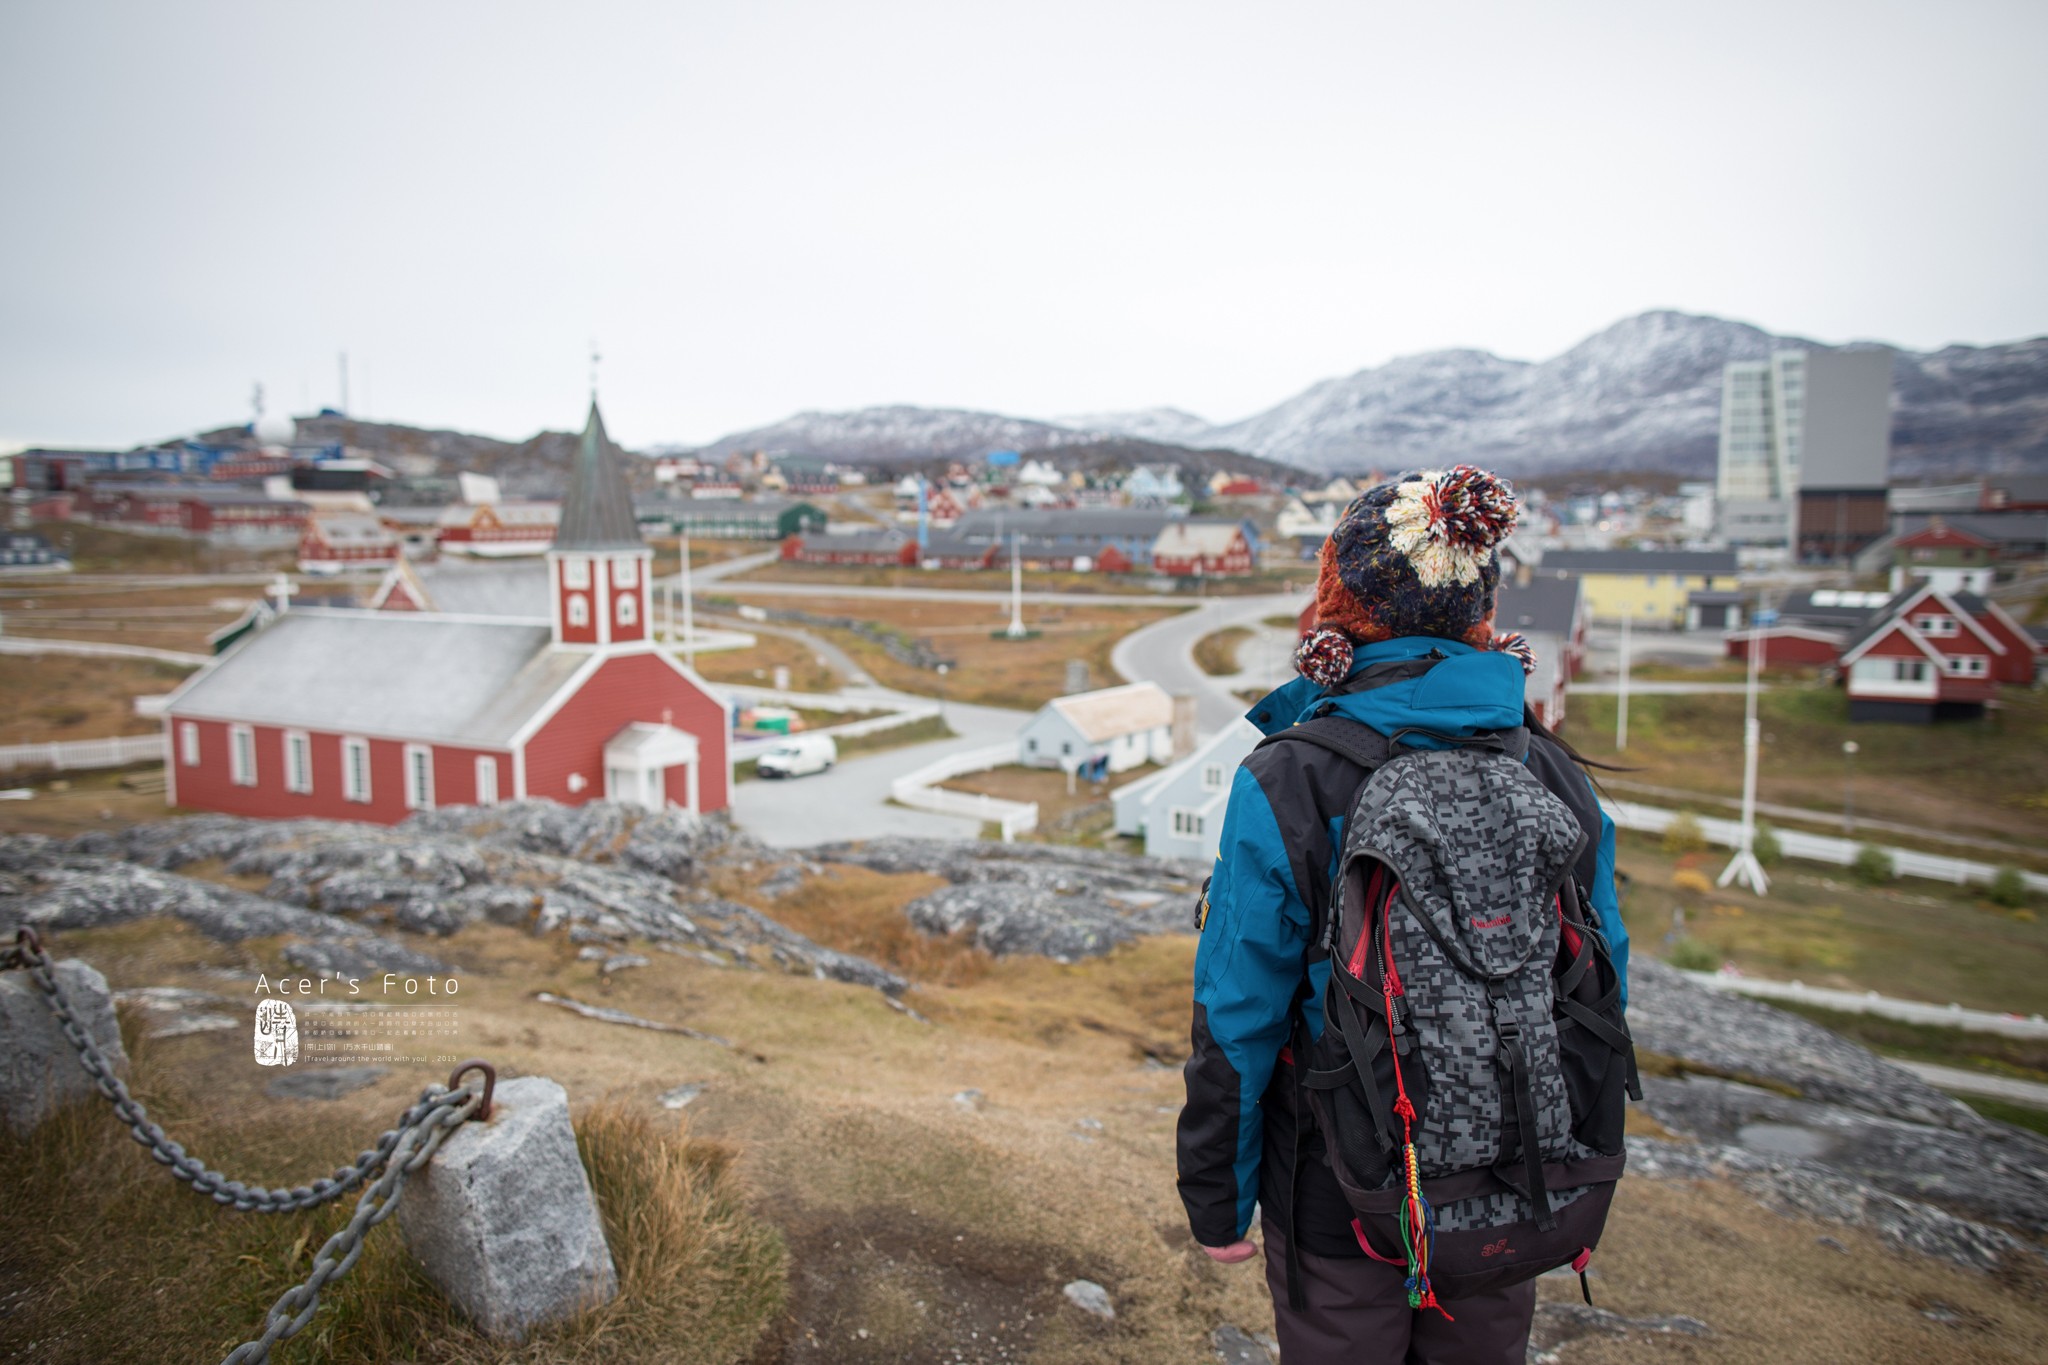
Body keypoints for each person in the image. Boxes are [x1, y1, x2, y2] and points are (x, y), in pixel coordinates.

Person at [1176, 466, 1630, 1365]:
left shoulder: (1292, 775)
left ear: (1341, 609)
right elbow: (1600, 979)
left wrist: (1218, 1202)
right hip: (1512, 1173)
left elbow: (1239, 1014)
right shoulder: (1549, 768)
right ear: (1479, 616)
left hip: (1335, 1187)